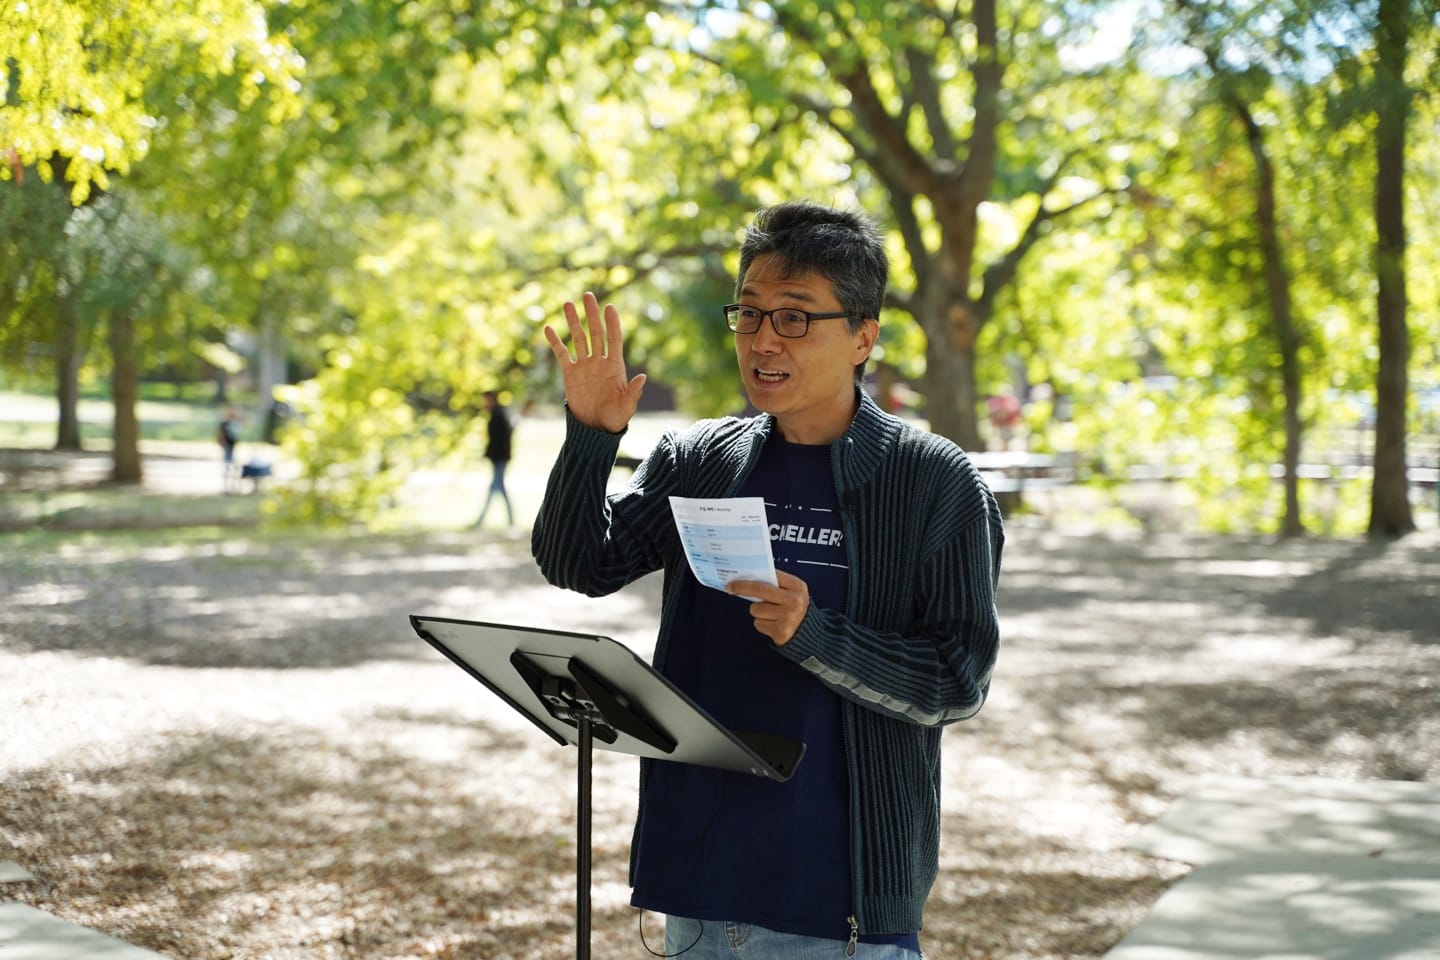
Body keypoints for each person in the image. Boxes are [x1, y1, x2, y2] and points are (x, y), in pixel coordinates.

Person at [532, 201, 1003, 959]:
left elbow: (957, 680)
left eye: (794, 317)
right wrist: (590, 436)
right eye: (748, 313)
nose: (762, 340)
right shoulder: (701, 460)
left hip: (837, 908)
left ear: (863, 336)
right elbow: (579, 562)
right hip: (696, 885)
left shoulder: (932, 482)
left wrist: (816, 635)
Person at [473, 391, 515, 532]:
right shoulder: (496, 414)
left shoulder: (499, 415)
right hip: (498, 457)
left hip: (499, 457)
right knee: (498, 488)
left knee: (496, 488)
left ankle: (481, 520)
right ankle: (508, 520)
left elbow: (500, 439)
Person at [218, 406, 241, 494]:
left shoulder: (236, 423)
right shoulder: (225, 423)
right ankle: (226, 487)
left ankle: (233, 486)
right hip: (227, 447)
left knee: (234, 467)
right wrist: (222, 444)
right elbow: (221, 434)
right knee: (227, 466)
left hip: (234, 447)